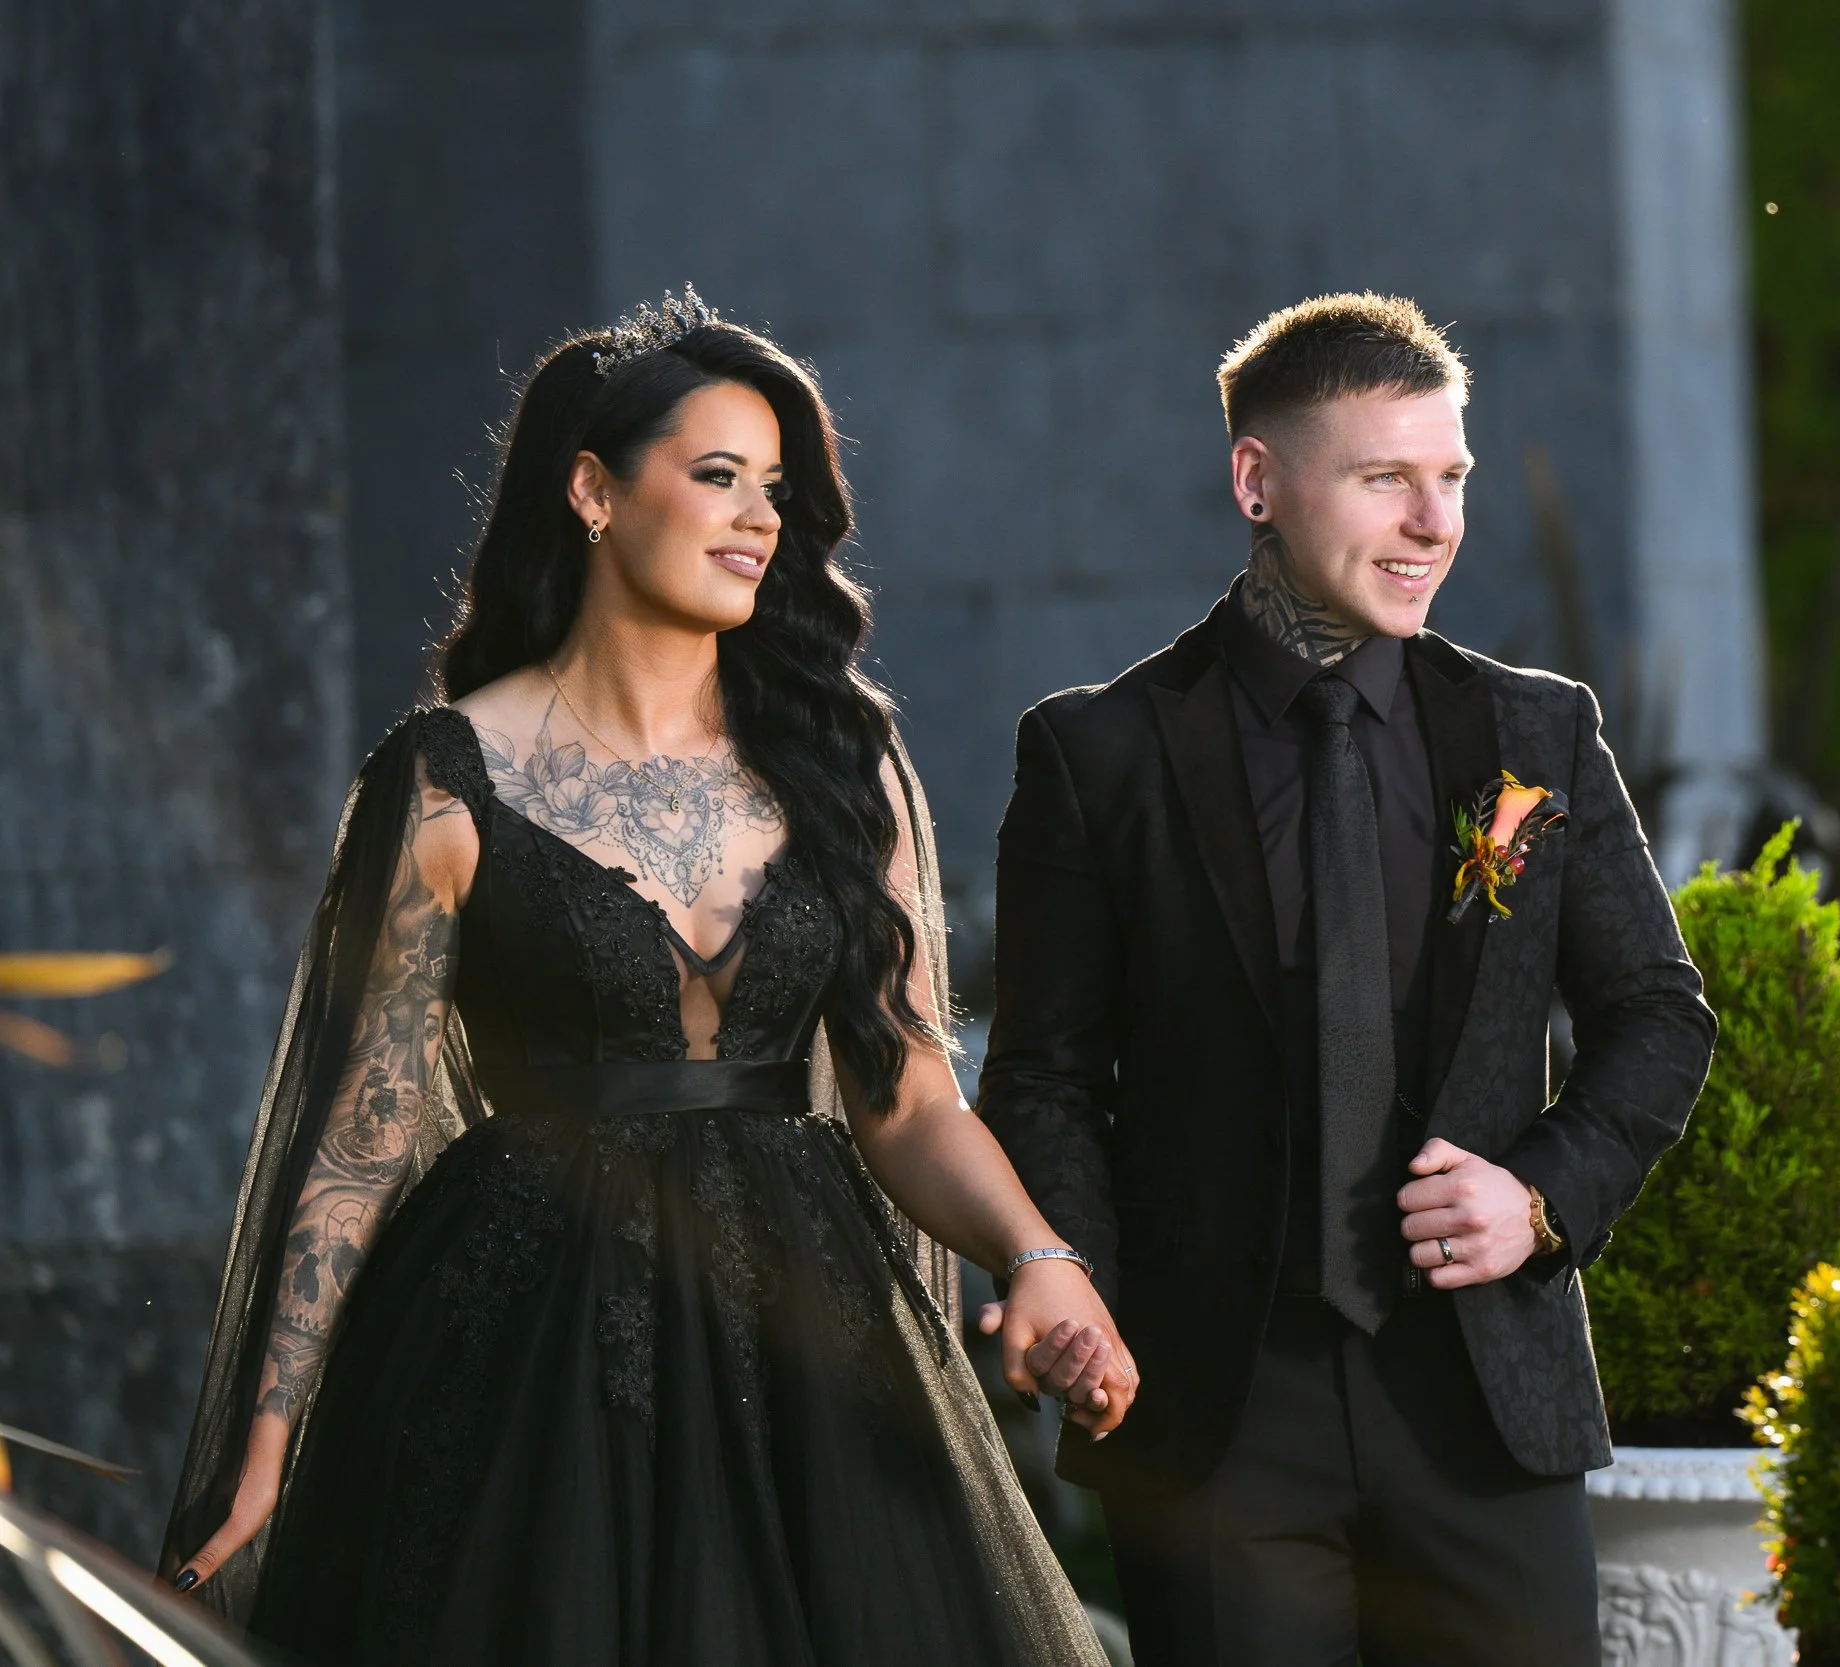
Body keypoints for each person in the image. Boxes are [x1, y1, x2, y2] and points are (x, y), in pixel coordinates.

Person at [159, 290, 1130, 1666]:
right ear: (592, 492)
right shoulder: (446, 778)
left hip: (812, 1341)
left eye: (776, 488)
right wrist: (266, 1443)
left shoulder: (845, 770)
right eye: (718, 475)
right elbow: (357, 1140)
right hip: (522, 1343)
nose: (759, 518)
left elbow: (907, 1090)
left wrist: (1039, 1258)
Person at [979, 292, 1719, 1667]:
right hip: (1217, 1412)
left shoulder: (1535, 730)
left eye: (1451, 479)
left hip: (1486, 1399)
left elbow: (1656, 1015)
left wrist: (1542, 1193)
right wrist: (1072, 1278)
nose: (1435, 522)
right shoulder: (1102, 755)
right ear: (1258, 479)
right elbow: (1046, 1073)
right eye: (1388, 478)